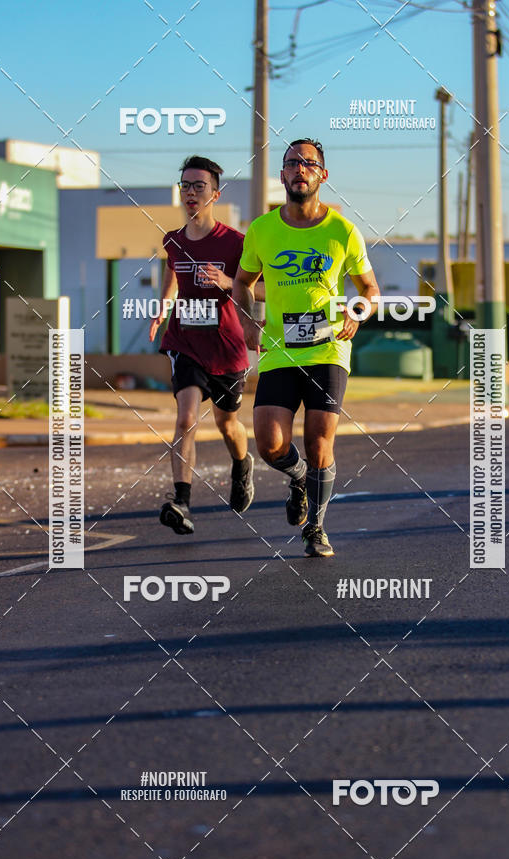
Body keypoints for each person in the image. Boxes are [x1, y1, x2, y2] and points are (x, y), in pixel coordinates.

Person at [232, 138, 380, 557]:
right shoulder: (262, 230)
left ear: (322, 175)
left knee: (319, 441)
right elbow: (242, 282)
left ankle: (315, 527)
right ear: (282, 175)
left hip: (328, 348)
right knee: (270, 444)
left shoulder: (342, 231)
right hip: (279, 349)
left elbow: (369, 288)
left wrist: (357, 311)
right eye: (291, 163)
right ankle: (299, 477)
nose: (300, 169)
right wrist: (245, 319)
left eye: (309, 163)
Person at [149, 155, 262, 535]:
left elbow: (263, 287)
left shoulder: (236, 243)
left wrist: (229, 282)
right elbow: (172, 275)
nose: (191, 192)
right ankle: (181, 501)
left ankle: (242, 465)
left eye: (199, 186)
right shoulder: (174, 241)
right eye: (185, 185)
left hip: (227, 348)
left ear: (216, 193)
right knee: (185, 418)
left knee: (228, 423)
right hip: (186, 342)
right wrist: (161, 310)